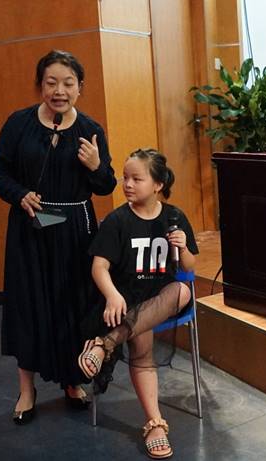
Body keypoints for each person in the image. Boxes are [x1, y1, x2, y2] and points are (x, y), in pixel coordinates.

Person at [0, 49, 117, 424]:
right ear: (40, 86)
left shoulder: (91, 129)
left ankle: (72, 381)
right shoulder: (18, 124)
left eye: (68, 83)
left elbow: (106, 184)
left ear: (80, 87)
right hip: (31, 226)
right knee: (29, 305)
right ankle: (26, 390)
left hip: (75, 229)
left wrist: (96, 166)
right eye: (51, 83)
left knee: (73, 305)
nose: (59, 91)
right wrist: (19, 194)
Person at [78, 148, 198, 460]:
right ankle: (155, 424)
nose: (128, 184)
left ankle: (105, 343)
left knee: (182, 291)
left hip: (163, 295)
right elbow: (99, 267)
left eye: (136, 179)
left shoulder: (174, 217)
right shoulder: (117, 220)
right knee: (141, 338)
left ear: (158, 184)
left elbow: (190, 267)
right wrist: (112, 294)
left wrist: (184, 247)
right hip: (127, 299)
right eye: (125, 178)